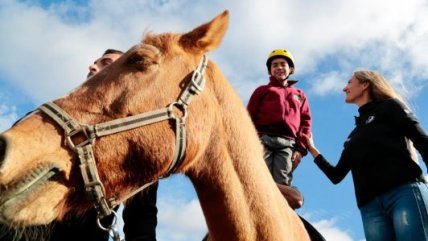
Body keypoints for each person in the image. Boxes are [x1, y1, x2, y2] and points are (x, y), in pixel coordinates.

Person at [0, 49, 159, 241]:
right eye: (95, 62)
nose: (92, 66)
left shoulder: (134, 141)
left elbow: (141, 219)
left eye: (105, 63)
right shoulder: (47, 116)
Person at [305, 69, 428, 241]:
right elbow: (336, 175)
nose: (344, 88)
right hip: (370, 208)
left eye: (349, 82)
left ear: (365, 84)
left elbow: (422, 140)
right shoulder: (353, 136)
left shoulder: (390, 106)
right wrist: (311, 148)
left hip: (404, 193)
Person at [247, 48, 311, 208]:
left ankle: (281, 212)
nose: (279, 67)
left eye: (283, 64)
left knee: (282, 180)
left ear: (291, 69)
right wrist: (250, 142)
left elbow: (305, 122)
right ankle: (256, 209)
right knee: (260, 176)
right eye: (274, 65)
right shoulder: (263, 91)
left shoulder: (299, 95)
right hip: (263, 139)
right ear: (270, 70)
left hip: (288, 144)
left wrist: (301, 149)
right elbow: (248, 117)